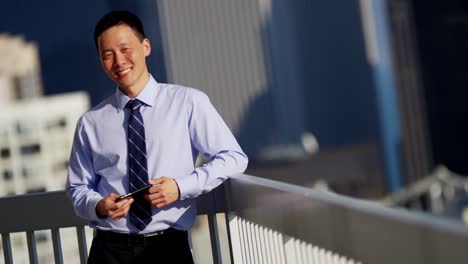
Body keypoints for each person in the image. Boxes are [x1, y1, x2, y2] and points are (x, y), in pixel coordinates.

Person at [66, 10, 248, 264]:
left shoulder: (187, 102)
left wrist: (181, 187)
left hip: (168, 246)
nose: (119, 61)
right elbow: (77, 188)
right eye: (107, 55)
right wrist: (98, 205)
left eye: (125, 49)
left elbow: (233, 158)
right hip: (109, 250)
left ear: (146, 47)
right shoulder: (91, 122)